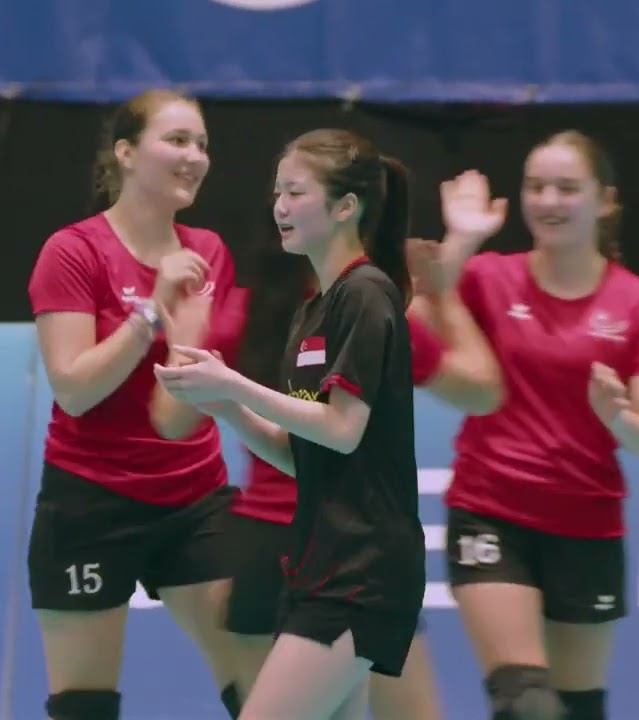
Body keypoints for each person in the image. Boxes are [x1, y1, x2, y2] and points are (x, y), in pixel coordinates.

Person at [154, 128, 427, 719]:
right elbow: (301, 455)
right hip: (319, 564)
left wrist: (236, 385)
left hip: (362, 572)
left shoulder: (366, 294)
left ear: (345, 207)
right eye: (277, 192)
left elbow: (343, 429)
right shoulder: (314, 310)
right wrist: (225, 406)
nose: (279, 206)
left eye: (296, 192)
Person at [414, 131, 639, 720]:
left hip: (588, 524)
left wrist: (620, 417)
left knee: (578, 708)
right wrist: (462, 239)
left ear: (605, 200)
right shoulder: (488, 276)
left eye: (567, 188)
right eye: (536, 187)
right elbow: (419, 320)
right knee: (525, 701)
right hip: (491, 511)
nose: (549, 201)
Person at [219, 230, 504, 718]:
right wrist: (442, 292)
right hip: (349, 555)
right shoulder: (371, 314)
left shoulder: (242, 311)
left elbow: (169, 419)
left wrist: (178, 333)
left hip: (263, 553)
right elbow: (481, 390)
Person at [25, 88, 243, 720]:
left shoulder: (209, 253)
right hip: (91, 502)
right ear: (125, 153)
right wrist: (150, 311)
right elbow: (74, 389)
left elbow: (198, 385)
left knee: (265, 689)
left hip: (194, 498)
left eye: (202, 144)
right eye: (176, 140)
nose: (194, 156)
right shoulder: (73, 251)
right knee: (84, 706)